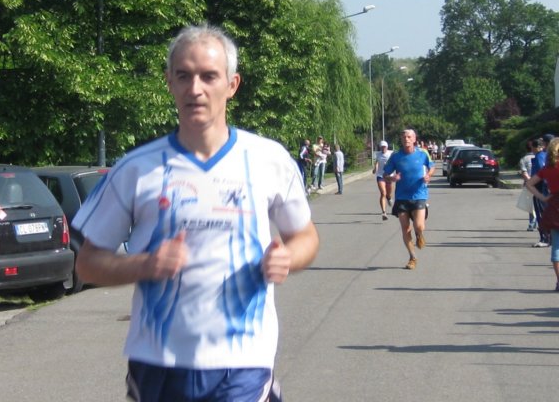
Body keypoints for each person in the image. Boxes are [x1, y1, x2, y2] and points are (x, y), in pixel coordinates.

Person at [73, 24, 320, 401]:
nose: (195, 89)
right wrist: (145, 265)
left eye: (209, 76)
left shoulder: (268, 159)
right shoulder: (137, 168)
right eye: (184, 76)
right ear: (169, 83)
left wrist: (288, 257)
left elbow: (305, 237)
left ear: (232, 85)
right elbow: (87, 264)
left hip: (243, 358)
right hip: (158, 361)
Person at [384, 129, 436, 270]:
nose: (406, 139)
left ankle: (419, 234)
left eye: (409, 137)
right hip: (402, 197)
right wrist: (392, 178)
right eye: (404, 137)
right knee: (406, 229)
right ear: (401, 140)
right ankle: (412, 257)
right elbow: (385, 175)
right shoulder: (396, 156)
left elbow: (432, 166)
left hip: (419, 195)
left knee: (419, 226)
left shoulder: (422, 153)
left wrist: (428, 175)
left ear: (414, 139)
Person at [526, 137, 559, 290]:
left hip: (554, 206)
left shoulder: (547, 169)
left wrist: (543, 197)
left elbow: (529, 183)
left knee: (556, 247)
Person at [531, 134, 554, 248]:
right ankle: (550, 238)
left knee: (541, 213)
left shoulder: (540, 156)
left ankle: (545, 238)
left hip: (541, 188)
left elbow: (541, 171)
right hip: (548, 188)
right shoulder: (548, 156)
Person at [519, 138, 537, 231]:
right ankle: (535, 223)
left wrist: (530, 182)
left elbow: (524, 172)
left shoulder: (524, 159)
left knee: (531, 205)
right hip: (541, 184)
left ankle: (532, 223)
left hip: (529, 184)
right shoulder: (543, 157)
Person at [373, 141, 394, 221]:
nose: (383, 148)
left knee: (388, 194)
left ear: (387, 147)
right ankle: (384, 212)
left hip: (389, 176)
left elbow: (394, 162)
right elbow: (377, 162)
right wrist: (375, 168)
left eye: (384, 147)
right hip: (380, 175)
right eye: (382, 147)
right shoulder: (378, 154)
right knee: (383, 193)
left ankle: (389, 198)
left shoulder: (391, 153)